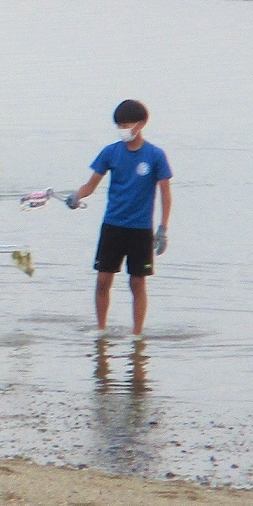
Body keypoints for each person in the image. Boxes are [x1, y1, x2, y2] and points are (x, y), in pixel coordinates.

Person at [68, 98, 175, 335]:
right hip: (113, 226)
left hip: (140, 229)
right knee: (103, 280)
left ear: (141, 124)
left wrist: (163, 228)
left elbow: (166, 194)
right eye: (120, 125)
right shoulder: (110, 152)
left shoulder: (155, 155)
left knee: (137, 282)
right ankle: (101, 329)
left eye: (127, 125)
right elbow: (91, 184)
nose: (123, 130)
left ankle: (137, 334)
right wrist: (77, 196)